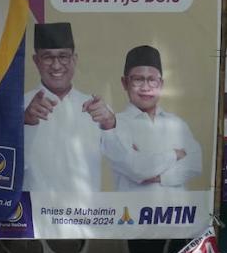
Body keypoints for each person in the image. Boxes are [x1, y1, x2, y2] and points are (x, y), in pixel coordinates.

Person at [22, 22, 116, 193]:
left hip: (86, 215)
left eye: (63, 56)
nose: (56, 65)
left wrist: (110, 124)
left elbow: (122, 165)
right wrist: (26, 122)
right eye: (48, 57)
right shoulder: (20, 106)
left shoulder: (97, 109)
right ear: (36, 61)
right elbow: (5, 168)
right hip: (34, 215)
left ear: (74, 59)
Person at [102, 45, 201, 191]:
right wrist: (176, 154)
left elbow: (195, 164)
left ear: (161, 84)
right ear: (125, 83)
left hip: (174, 212)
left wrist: (161, 177)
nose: (146, 88)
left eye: (152, 80)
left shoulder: (176, 123)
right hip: (132, 212)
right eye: (138, 79)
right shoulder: (115, 125)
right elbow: (137, 168)